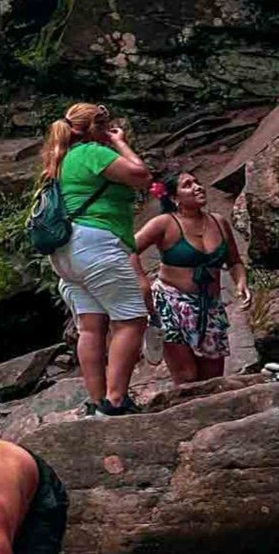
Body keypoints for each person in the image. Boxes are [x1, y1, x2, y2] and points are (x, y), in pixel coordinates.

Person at [41, 103, 152, 415]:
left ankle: (96, 401)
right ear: (93, 128)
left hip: (64, 251)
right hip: (96, 244)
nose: (108, 131)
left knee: (91, 327)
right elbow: (141, 176)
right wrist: (118, 142)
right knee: (131, 320)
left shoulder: (58, 159)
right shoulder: (91, 151)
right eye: (104, 126)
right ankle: (116, 400)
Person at [133, 170, 250, 385]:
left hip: (211, 306)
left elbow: (234, 261)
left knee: (213, 379)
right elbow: (128, 249)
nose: (197, 186)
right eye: (187, 185)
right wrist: (142, 282)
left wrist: (241, 281)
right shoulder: (164, 223)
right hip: (170, 303)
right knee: (187, 376)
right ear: (175, 198)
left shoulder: (219, 222)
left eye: (197, 182)